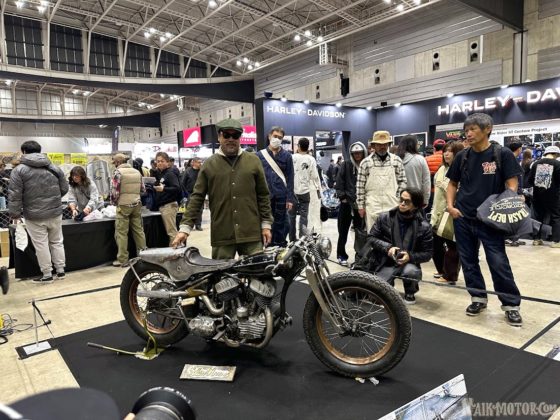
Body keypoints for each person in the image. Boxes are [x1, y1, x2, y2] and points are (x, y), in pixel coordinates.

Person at [446, 113, 523, 326]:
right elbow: (452, 183)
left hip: (491, 219)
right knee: (468, 261)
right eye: (466, 130)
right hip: (463, 217)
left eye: (473, 129)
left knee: (498, 262)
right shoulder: (462, 156)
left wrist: (507, 201)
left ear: (487, 129)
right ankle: (478, 297)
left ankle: (511, 305)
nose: (468, 134)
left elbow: (512, 183)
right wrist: (451, 206)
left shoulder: (502, 154)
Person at [172, 118, 273, 259]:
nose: (231, 139)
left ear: (240, 138)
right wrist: (185, 227)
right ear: (219, 137)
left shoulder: (253, 161)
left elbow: (263, 194)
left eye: (235, 135)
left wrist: (266, 224)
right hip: (222, 233)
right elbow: (197, 197)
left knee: (256, 271)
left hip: (251, 232)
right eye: (226, 135)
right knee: (221, 273)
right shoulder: (209, 165)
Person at [8, 140, 68, 283]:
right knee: (57, 242)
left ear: (23, 151)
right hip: (55, 212)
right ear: (40, 151)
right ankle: (61, 271)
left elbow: (15, 195)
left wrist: (15, 214)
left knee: (41, 244)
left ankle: (47, 275)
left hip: (34, 214)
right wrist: (53, 198)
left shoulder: (18, 171)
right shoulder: (54, 167)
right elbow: (64, 188)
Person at [365, 188, 433, 305]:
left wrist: (410, 256)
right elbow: (371, 238)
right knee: (378, 297)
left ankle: (410, 291)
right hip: (386, 261)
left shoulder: (424, 226)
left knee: (411, 271)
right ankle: (388, 286)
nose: (402, 203)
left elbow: (428, 254)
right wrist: (388, 248)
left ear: (416, 205)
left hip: (409, 263)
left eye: (407, 201)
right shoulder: (384, 218)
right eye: (401, 200)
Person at [356, 130, 407, 232]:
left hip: (392, 204)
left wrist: (398, 199)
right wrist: (360, 206)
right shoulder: (365, 163)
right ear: (374, 145)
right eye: (379, 144)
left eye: (385, 144)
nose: (382, 147)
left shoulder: (396, 160)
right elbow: (360, 186)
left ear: (388, 145)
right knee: (373, 234)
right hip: (373, 205)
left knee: (393, 234)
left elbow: (402, 182)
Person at [430, 141, 464, 284]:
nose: (446, 154)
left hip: (451, 213)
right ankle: (442, 270)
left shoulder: (461, 170)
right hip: (437, 213)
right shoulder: (441, 169)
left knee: (452, 246)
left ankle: (450, 276)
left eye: (450, 151)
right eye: (445, 151)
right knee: (435, 244)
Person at [258, 126, 294, 247]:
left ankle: (279, 247)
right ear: (269, 136)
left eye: (280, 137)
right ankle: (267, 247)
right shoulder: (259, 155)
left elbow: (290, 178)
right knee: (266, 223)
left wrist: (290, 198)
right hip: (265, 197)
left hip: (281, 196)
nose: (277, 139)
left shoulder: (287, 156)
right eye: (275, 136)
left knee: (280, 224)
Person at [110, 153, 147, 267]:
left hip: (123, 205)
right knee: (139, 231)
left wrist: (114, 203)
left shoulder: (118, 173)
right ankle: (144, 257)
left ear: (117, 162)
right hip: (137, 204)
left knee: (121, 233)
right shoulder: (137, 172)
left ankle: (123, 260)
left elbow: (115, 192)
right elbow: (143, 190)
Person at [335, 141, 367, 266]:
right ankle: (341, 255)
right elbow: (339, 181)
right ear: (351, 154)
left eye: (359, 152)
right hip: (346, 203)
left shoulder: (367, 164)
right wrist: (342, 197)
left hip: (361, 204)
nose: (357, 155)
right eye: (355, 153)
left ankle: (360, 256)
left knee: (360, 232)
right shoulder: (346, 164)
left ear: (363, 152)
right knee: (342, 230)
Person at [527, 145, 560, 248]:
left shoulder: (535, 164)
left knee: (538, 217)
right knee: (555, 216)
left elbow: (530, 180)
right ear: (556, 154)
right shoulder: (557, 164)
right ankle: (555, 241)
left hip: (537, 195)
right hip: (553, 195)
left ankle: (536, 239)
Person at [289, 137, 320, 241]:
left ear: (298, 146)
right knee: (304, 216)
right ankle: (302, 239)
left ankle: (292, 239)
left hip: (292, 191)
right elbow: (314, 176)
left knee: (291, 216)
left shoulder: (292, 157)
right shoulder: (311, 159)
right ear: (308, 147)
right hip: (305, 191)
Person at [154, 152, 180, 246]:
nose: (160, 163)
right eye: (158, 161)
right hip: (164, 206)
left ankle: (176, 251)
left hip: (169, 206)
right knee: (170, 231)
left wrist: (164, 189)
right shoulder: (160, 174)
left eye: (162, 161)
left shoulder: (170, 174)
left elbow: (177, 188)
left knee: (172, 232)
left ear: (167, 162)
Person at [398, 135, 431, 208]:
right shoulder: (420, 159)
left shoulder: (396, 160)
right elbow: (426, 181)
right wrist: (425, 199)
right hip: (416, 199)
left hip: (399, 199)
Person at [505, 142, 526, 247]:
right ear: (519, 149)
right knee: (512, 216)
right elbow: (514, 179)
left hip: (511, 192)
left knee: (514, 216)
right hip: (512, 192)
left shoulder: (512, 159)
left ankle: (514, 237)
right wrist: (519, 193)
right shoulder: (511, 160)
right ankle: (510, 238)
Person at [182, 157, 203, 230]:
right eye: (199, 162)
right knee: (190, 210)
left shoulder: (202, 171)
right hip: (189, 193)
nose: (200, 164)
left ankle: (198, 225)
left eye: (201, 162)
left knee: (200, 210)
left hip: (200, 193)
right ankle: (189, 225)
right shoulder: (188, 171)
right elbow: (183, 183)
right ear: (194, 163)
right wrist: (185, 194)